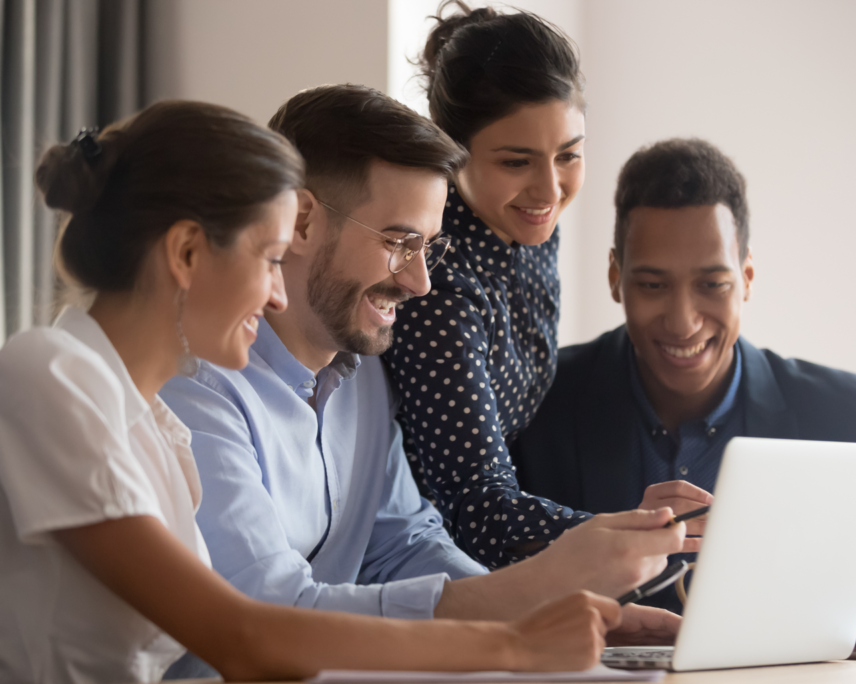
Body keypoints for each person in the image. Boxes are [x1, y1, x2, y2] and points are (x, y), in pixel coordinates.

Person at [0, 100, 631, 684]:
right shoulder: (52, 373)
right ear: (188, 251)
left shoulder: (154, 418)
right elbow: (246, 634)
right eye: (271, 259)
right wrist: (515, 641)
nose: (279, 294)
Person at [158, 84, 691, 678]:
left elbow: (401, 545)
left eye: (428, 249)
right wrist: (530, 595)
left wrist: (545, 614)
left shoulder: (362, 376)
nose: (420, 283)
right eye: (398, 242)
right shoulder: (194, 386)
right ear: (301, 221)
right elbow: (273, 614)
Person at [509, 137, 856, 649]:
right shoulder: (539, 400)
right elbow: (462, 581)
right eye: (652, 285)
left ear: (747, 277)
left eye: (712, 285)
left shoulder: (838, 416)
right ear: (615, 276)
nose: (683, 322)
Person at [382, 0, 592, 570]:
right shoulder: (438, 283)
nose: (549, 188)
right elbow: (479, 509)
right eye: (516, 162)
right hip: (418, 568)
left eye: (569, 155)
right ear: (453, 154)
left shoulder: (528, 228)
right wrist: (631, 532)